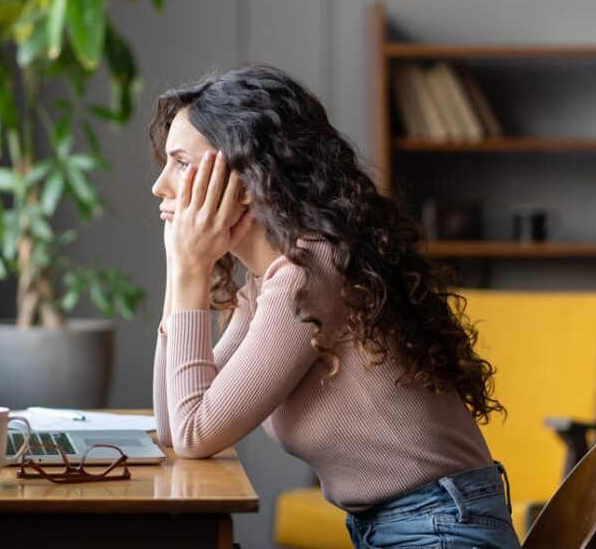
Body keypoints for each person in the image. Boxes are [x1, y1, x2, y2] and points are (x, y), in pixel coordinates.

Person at [149, 63, 519, 549]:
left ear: (245, 174)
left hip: (441, 530)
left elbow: (196, 431)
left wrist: (190, 270)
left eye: (179, 162)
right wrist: (181, 275)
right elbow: (175, 425)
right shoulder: (270, 282)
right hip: (407, 527)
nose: (160, 185)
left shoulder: (312, 270)